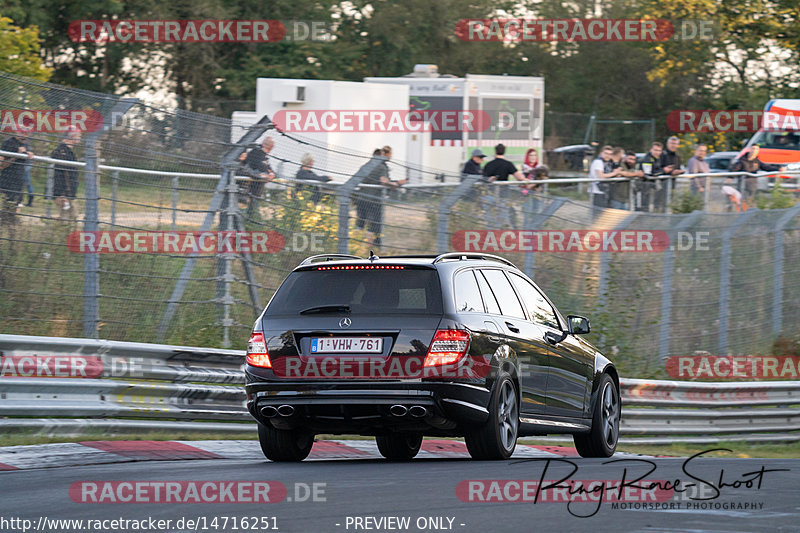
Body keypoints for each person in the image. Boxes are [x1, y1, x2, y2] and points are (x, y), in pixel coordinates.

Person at [355, 146, 407, 248]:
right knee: (373, 226)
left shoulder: (366, 166)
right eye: (390, 154)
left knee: (360, 225)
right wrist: (397, 183)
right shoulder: (382, 167)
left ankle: (354, 247)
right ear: (385, 155)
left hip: (361, 199)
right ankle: (370, 249)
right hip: (374, 200)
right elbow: (384, 181)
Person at [483, 143, 526, 227]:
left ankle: (490, 236)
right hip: (503, 195)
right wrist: (525, 178)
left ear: (495, 151)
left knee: (489, 219)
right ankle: (500, 237)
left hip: (489, 195)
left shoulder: (489, 165)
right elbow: (519, 177)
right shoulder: (508, 164)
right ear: (504, 152)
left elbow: (483, 179)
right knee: (503, 218)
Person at [0, 126, 35, 224]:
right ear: (17, 131)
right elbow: (1, 165)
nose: (25, 133)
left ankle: (9, 226)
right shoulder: (9, 143)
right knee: (8, 207)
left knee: (15, 207)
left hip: (20, 181)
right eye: (22, 131)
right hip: (8, 181)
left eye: (27, 132)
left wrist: (28, 154)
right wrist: (16, 155)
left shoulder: (26, 144)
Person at [242, 136, 276, 219]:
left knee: (253, 208)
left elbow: (268, 168)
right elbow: (251, 167)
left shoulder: (264, 156)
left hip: (258, 189)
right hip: (250, 186)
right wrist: (262, 175)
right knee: (252, 209)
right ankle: (250, 219)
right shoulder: (255, 153)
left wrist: (272, 174)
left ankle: (251, 218)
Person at [51, 127, 82, 219]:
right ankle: (60, 232)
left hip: (69, 192)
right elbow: (62, 174)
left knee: (72, 217)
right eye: (79, 135)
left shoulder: (69, 152)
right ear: (72, 136)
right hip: (64, 192)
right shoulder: (62, 152)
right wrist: (63, 194)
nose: (80, 138)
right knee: (66, 218)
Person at [655, 136, 685, 212]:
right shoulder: (662, 154)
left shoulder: (678, 156)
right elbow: (657, 169)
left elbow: (677, 168)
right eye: (672, 143)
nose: (673, 145)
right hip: (661, 185)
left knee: (670, 204)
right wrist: (669, 171)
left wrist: (679, 172)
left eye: (675, 144)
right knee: (659, 205)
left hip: (672, 184)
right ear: (667, 144)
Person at [588, 145, 621, 209]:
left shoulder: (608, 163)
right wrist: (614, 173)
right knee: (597, 213)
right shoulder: (598, 162)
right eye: (606, 153)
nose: (607, 155)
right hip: (597, 191)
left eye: (610, 154)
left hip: (604, 191)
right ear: (601, 153)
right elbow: (601, 176)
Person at [636, 142, 666, 212]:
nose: (657, 152)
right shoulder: (647, 159)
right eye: (655, 150)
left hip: (650, 188)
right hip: (644, 187)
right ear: (650, 150)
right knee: (644, 208)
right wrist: (663, 170)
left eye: (659, 150)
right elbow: (648, 174)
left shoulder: (657, 159)